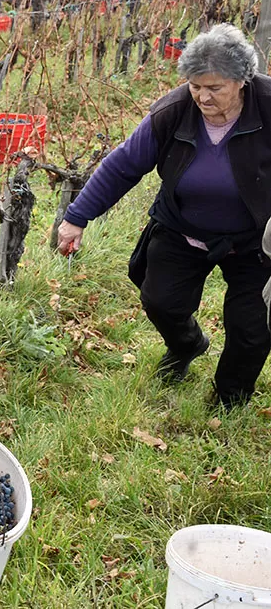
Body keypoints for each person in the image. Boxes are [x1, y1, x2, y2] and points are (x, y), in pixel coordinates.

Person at [57, 23, 271, 411]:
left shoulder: (270, 105)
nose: (203, 96)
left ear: (242, 80)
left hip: (255, 238)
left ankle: (229, 398)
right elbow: (123, 165)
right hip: (182, 228)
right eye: (195, 85)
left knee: (252, 327)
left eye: (214, 87)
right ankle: (187, 344)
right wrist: (77, 217)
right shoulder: (173, 112)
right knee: (160, 301)